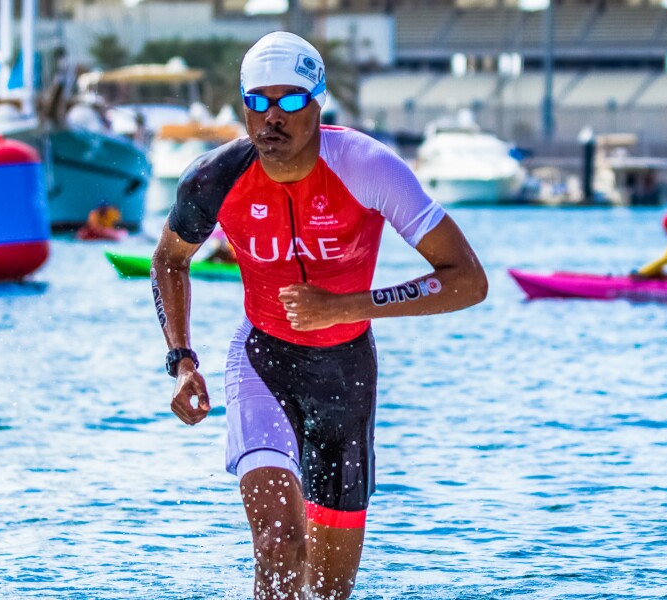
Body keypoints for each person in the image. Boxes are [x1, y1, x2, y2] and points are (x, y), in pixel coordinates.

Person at [150, 31, 488, 600]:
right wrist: (182, 360)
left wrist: (347, 306)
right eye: (258, 101)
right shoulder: (212, 179)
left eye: (289, 100)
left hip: (346, 377)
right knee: (280, 543)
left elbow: (468, 280)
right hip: (261, 361)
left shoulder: (368, 168)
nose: (271, 117)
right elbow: (168, 261)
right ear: (243, 108)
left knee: (328, 592)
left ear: (318, 101)